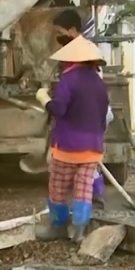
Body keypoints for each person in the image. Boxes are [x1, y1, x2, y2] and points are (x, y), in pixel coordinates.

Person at [34, 36, 110, 243]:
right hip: (92, 149)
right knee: (83, 190)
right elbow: (103, 116)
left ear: (70, 60)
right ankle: (79, 232)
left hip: (67, 148)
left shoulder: (68, 80)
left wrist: (44, 98)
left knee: (58, 188)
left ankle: (57, 226)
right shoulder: (100, 84)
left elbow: (59, 109)